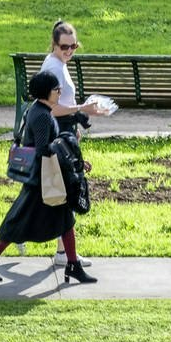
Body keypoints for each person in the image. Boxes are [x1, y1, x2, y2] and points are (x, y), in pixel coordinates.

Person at [0, 71, 97, 285]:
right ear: (46, 92)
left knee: (63, 220)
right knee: (22, 222)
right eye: (56, 89)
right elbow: (43, 148)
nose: (59, 92)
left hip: (41, 178)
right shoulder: (42, 115)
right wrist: (70, 152)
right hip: (43, 180)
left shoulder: (39, 110)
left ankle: (72, 266)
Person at [35, 20, 109, 265]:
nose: (69, 51)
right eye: (64, 46)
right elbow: (50, 108)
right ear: (54, 44)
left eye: (73, 46)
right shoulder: (54, 68)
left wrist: (76, 122)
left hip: (64, 131)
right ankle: (61, 252)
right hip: (59, 133)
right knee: (61, 192)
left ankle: (59, 251)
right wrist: (83, 109)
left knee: (51, 192)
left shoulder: (58, 64)